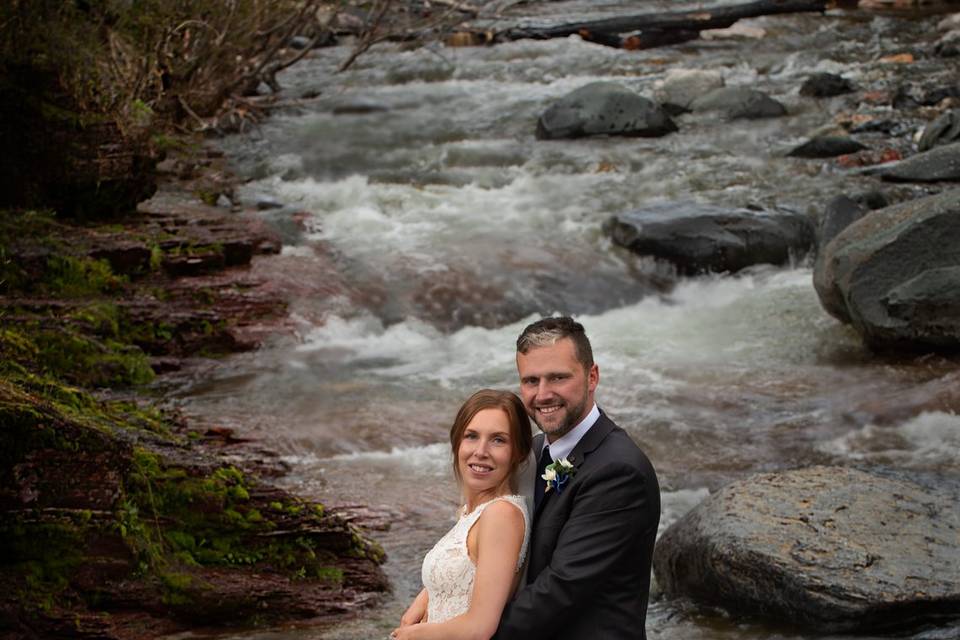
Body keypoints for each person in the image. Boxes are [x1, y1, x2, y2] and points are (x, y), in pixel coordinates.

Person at [494, 316, 661, 640]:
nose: (542, 394)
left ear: (592, 376)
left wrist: (471, 632)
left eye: (557, 378)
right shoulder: (533, 450)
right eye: (531, 381)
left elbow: (560, 590)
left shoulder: (619, 472)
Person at [392, 389, 533, 640]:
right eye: (471, 436)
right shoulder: (475, 511)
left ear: (518, 452)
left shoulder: (500, 515)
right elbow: (466, 572)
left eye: (498, 440)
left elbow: (479, 627)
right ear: (457, 442)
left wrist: (412, 636)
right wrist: (425, 597)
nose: (481, 451)